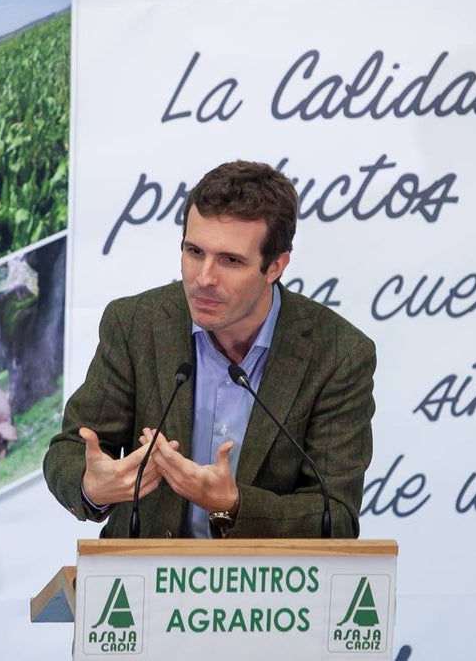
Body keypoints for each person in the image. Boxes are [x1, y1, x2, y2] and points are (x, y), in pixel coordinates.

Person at [42, 160, 376, 538]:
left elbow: (336, 517)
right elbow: (69, 451)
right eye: (194, 252)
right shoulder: (136, 323)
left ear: (275, 267)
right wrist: (92, 487)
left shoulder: (337, 353)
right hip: (143, 583)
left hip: (268, 590)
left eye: (230, 261)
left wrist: (233, 505)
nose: (204, 279)